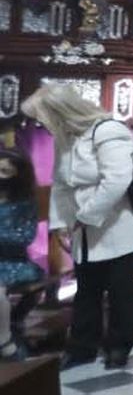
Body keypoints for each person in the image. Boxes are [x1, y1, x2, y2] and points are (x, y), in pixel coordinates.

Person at [22, 84, 133, 370]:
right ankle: (81, 348)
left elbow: (117, 180)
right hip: (84, 229)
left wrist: (85, 217)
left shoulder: (108, 131)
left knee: (119, 289)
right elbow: (61, 185)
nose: (41, 125)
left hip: (119, 226)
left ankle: (118, 347)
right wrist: (60, 223)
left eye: (43, 118)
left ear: (61, 113)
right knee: (87, 288)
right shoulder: (65, 137)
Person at [0, 149, 44, 361]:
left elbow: (25, 236)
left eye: (5, 171)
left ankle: (6, 340)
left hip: (13, 262)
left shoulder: (24, 203)